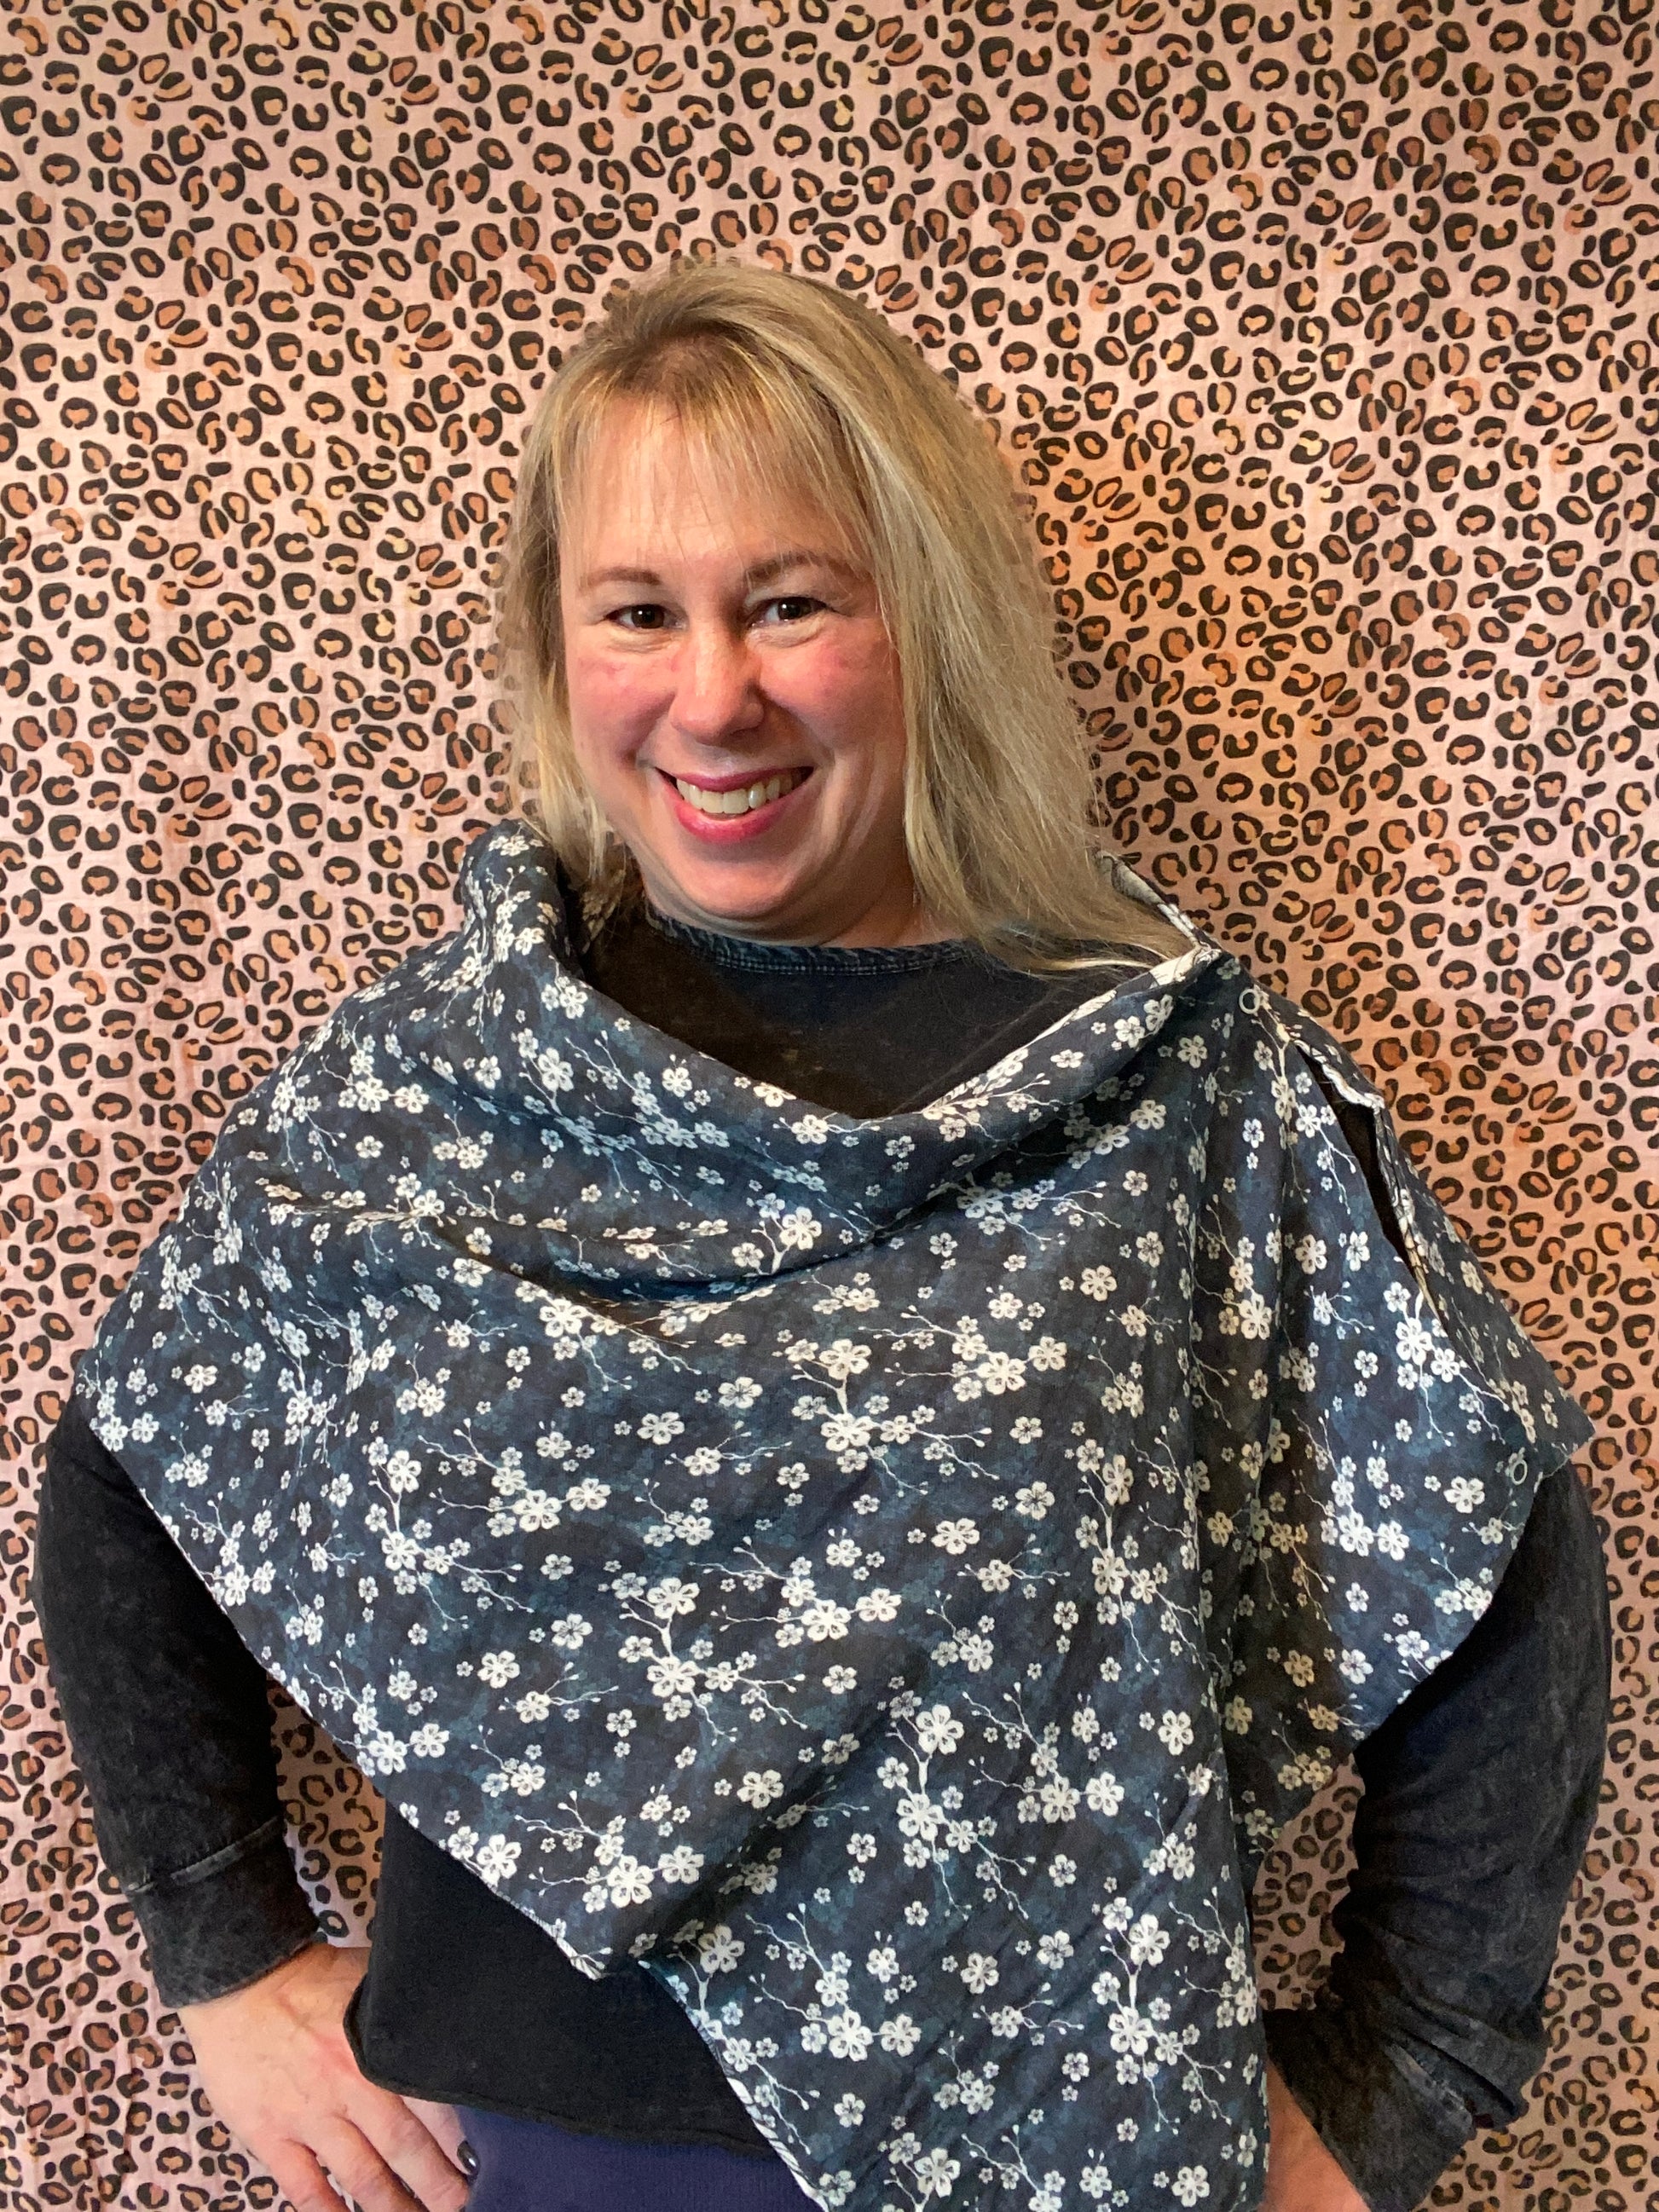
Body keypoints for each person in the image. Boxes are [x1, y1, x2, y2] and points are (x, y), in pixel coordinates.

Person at [35, 263, 1609, 2212]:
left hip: (1066, 2160)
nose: (713, 696)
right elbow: (137, 1453)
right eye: (638, 611)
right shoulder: (430, 1084)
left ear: (923, 619)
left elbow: (1492, 1541)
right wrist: (226, 1953)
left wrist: (1398, 2072)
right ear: (557, 645)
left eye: (789, 603)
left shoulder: (1175, 1091)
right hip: (539, 2158)